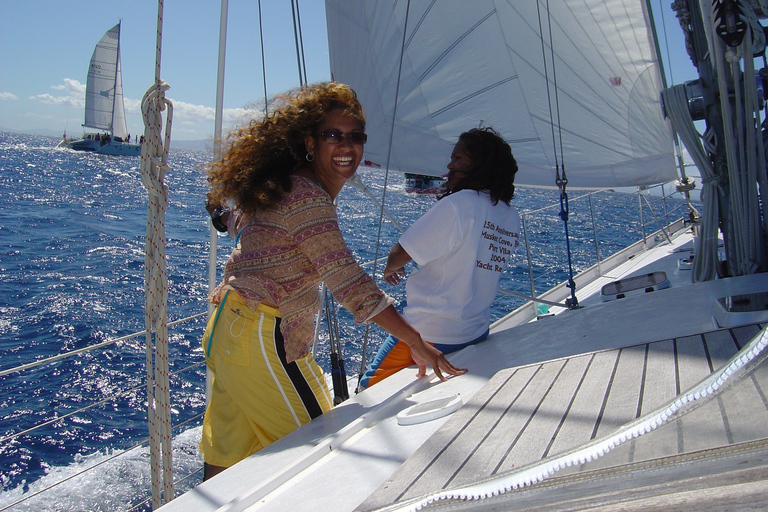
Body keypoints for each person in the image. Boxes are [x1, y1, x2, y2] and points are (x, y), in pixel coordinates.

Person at [200, 82, 466, 480]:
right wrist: (415, 342)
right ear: (310, 142)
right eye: (333, 136)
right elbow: (349, 284)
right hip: (261, 336)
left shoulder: (291, 183)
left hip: (229, 329)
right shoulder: (307, 197)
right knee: (321, 457)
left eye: (355, 137)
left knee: (226, 466)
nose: (347, 146)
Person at [360, 127, 520, 388]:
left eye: (457, 159)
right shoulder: (508, 214)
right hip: (475, 331)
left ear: (479, 165)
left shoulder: (459, 204)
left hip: (430, 333)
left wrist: (390, 268)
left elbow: (400, 253)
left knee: (369, 386)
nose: (449, 165)